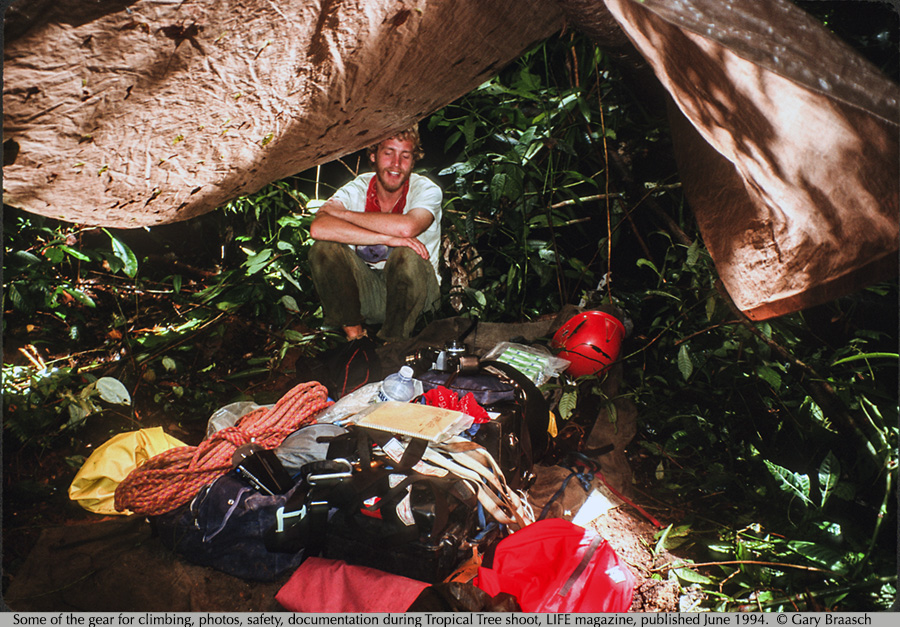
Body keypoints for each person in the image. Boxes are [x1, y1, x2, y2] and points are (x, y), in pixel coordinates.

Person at [308, 126, 442, 343]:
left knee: (406, 254)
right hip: (370, 294)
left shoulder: (427, 189)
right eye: (388, 153)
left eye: (405, 156)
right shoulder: (358, 187)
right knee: (324, 249)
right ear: (373, 155)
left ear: (414, 161)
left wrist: (344, 214)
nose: (396, 164)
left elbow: (408, 228)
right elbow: (318, 228)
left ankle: (392, 344)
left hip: (418, 295)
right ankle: (357, 340)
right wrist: (386, 238)